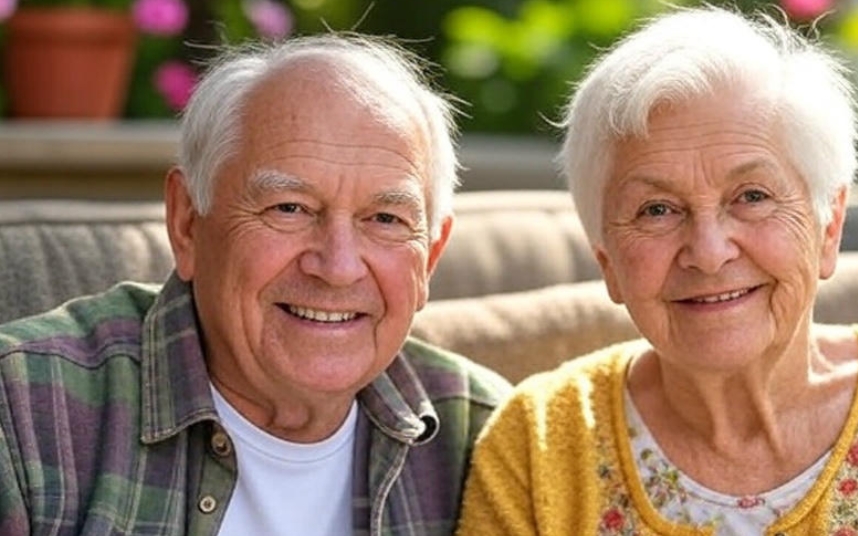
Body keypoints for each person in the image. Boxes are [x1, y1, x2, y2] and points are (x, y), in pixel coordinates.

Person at [456, 6, 858, 535]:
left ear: (829, 226)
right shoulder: (537, 445)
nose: (708, 251)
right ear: (606, 257)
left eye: (751, 196)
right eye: (657, 210)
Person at [0, 34, 511, 535]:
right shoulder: (25, 414)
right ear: (186, 223)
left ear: (431, 257)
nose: (337, 267)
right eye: (289, 209)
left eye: (384, 219)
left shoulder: (492, 441)